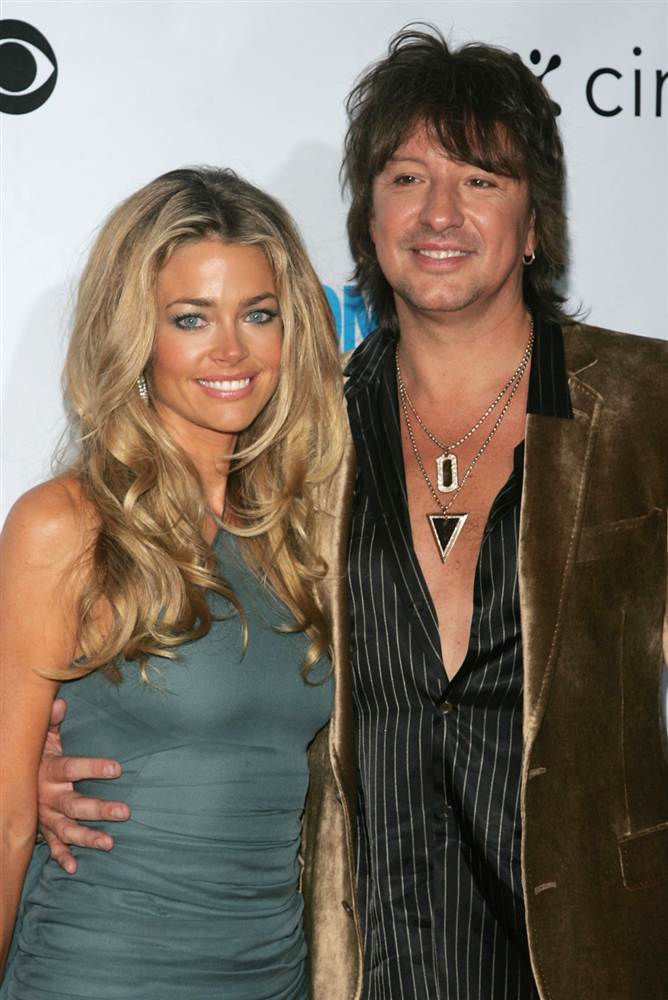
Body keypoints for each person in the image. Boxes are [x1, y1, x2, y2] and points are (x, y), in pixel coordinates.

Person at [36, 26, 668, 1000]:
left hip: (586, 958)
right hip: (364, 962)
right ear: (368, 220)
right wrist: (56, 764)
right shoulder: (292, 437)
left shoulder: (646, 405)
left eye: (481, 179)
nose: (439, 212)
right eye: (406, 178)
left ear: (536, 223)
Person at [0, 166, 354, 999]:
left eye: (258, 314)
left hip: (273, 978)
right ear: (136, 336)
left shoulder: (299, 529)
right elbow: (8, 817)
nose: (231, 349)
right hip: (99, 970)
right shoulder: (67, 525)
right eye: (191, 318)